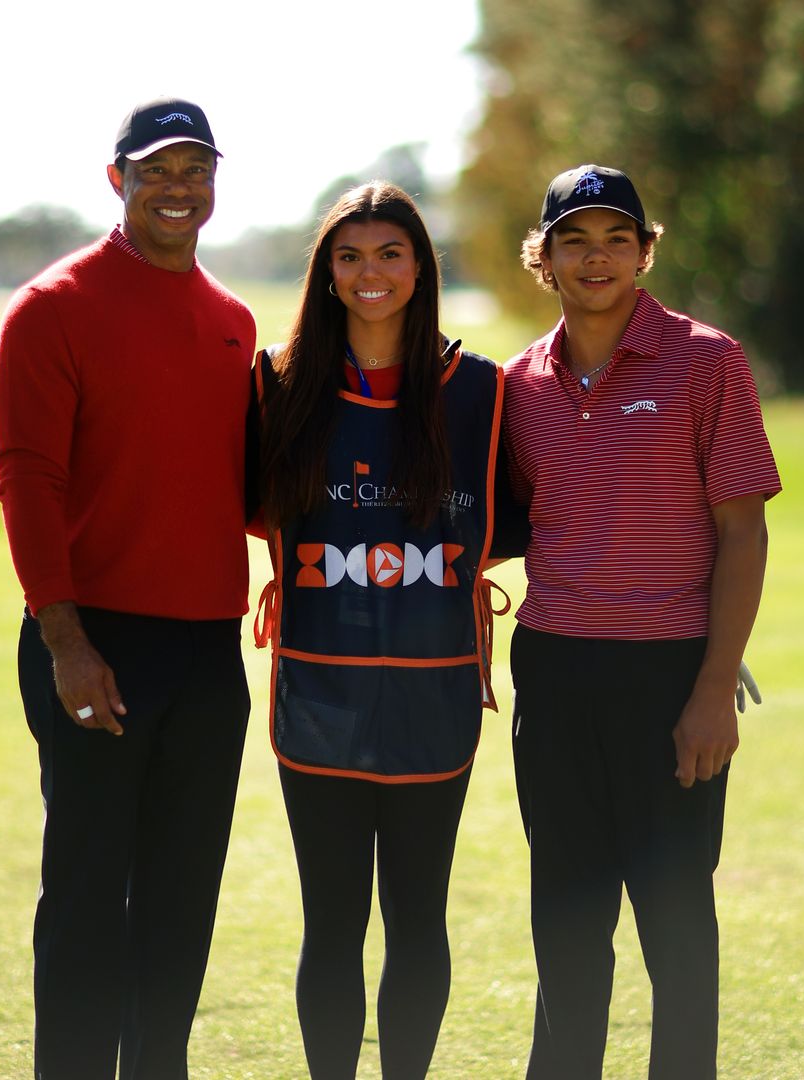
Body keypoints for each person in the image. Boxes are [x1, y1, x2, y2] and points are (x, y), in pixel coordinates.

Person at [0, 97, 255, 1080]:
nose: (178, 188)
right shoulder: (53, 306)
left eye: (196, 170)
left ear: (215, 183)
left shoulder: (233, 319)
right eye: (157, 170)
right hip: (94, 640)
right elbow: (27, 477)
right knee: (91, 896)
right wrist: (64, 641)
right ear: (118, 181)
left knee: (183, 898)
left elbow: (242, 480)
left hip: (207, 650)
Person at [501, 164, 781, 1079]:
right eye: (574, 240)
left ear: (645, 250)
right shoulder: (520, 384)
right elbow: (491, 528)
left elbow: (743, 533)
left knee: (675, 928)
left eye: (617, 238)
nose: (597, 258)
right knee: (567, 924)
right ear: (543, 259)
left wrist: (712, 689)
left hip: (669, 678)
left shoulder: (708, 360)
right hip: (553, 676)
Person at [251, 181, 521, 1079]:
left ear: (421, 266)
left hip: (431, 694)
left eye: (391, 253)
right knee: (330, 923)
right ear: (326, 271)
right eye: (350, 255)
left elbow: (514, 520)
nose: (372, 273)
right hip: (316, 695)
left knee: (418, 917)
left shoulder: (479, 389)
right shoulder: (277, 381)